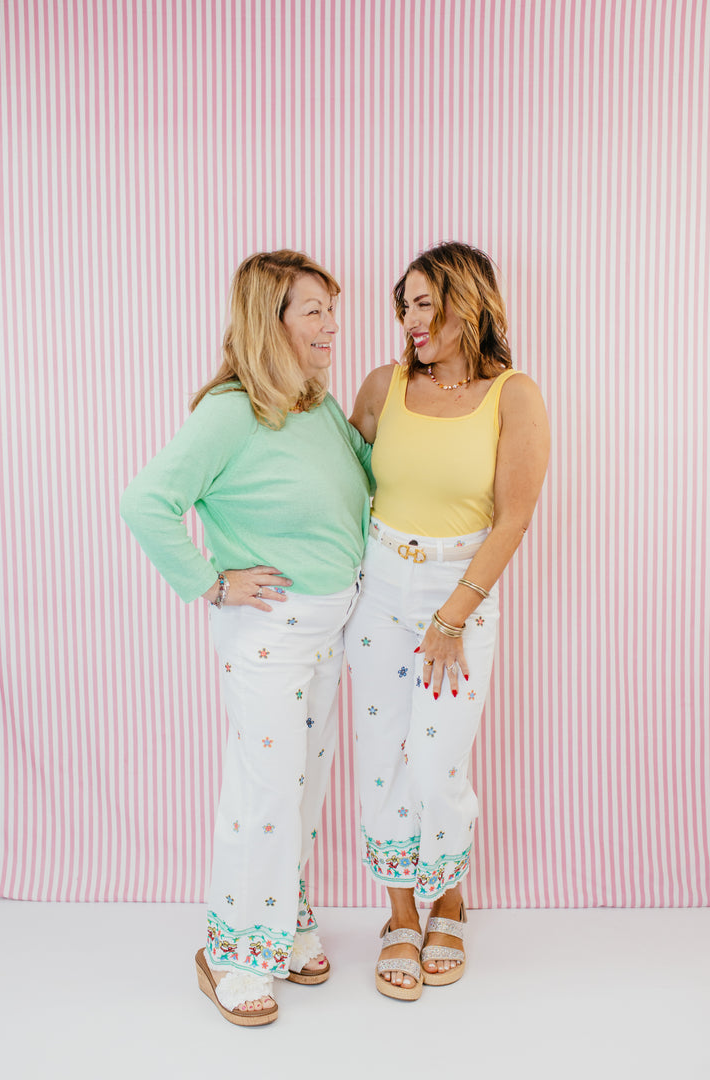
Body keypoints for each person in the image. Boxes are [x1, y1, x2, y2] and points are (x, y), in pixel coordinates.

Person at [120, 250, 372, 1025]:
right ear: (271, 321)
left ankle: (285, 918)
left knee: (305, 787)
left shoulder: (315, 405)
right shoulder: (231, 412)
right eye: (314, 311)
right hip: (268, 635)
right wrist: (211, 581)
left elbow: (357, 484)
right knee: (265, 793)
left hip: (329, 631)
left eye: (331, 309)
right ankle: (232, 953)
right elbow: (145, 501)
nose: (331, 325)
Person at [346, 241, 550, 1000]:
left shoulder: (514, 396)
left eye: (426, 303)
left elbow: (513, 518)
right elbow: (336, 477)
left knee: (437, 761)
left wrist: (453, 616)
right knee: (382, 757)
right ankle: (401, 913)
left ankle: (450, 899)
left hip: (458, 589)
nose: (411, 319)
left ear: (469, 302)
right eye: (405, 305)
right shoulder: (384, 384)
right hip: (378, 587)